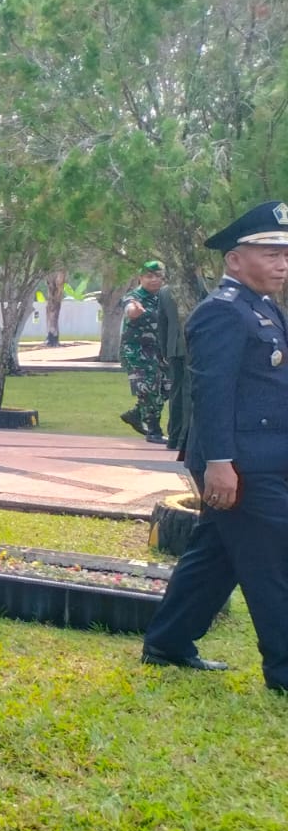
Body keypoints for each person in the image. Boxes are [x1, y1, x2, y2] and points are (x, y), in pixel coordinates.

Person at [141, 201, 288, 693]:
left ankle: (168, 641)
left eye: (285, 252)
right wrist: (220, 465)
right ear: (234, 260)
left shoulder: (262, 308)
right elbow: (211, 393)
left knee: (217, 555)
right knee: (274, 560)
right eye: (269, 252)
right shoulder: (222, 312)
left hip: (264, 459)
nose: (281, 262)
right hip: (241, 466)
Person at [119, 260, 170, 443]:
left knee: (169, 387)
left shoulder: (164, 296)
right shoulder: (135, 295)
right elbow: (129, 308)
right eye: (149, 276)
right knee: (150, 389)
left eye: (158, 276)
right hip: (136, 351)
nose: (154, 280)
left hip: (158, 351)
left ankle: (135, 414)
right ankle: (154, 431)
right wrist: (134, 311)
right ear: (140, 278)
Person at [155, 271, 192, 452]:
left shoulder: (165, 291)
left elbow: (162, 322)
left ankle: (175, 437)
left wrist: (164, 348)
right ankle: (184, 439)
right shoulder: (199, 285)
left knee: (176, 393)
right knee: (188, 392)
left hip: (173, 348)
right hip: (192, 347)